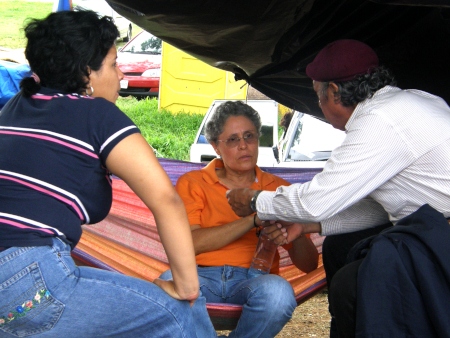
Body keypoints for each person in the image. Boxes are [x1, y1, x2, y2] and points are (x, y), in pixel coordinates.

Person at [0, 10, 216, 338]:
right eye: (114, 64)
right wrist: (186, 287)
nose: (120, 76)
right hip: (28, 284)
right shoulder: (97, 115)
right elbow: (165, 199)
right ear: (87, 73)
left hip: (20, 287)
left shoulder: (15, 107)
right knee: (180, 313)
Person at [226, 39, 450, 336]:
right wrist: (308, 227)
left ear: (332, 92)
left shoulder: (378, 122)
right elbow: (380, 208)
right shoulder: (410, 102)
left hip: (439, 238)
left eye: (317, 96)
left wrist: (255, 200)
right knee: (340, 246)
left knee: (351, 285)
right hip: (429, 227)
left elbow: (316, 199)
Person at [159, 101, 319, 338]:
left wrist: (294, 233)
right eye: (233, 140)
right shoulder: (193, 183)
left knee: (279, 294)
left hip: (256, 278)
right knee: (168, 283)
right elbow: (190, 243)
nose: (244, 146)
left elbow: (309, 265)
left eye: (249, 136)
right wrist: (255, 217)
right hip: (199, 276)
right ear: (215, 146)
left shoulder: (278, 189)